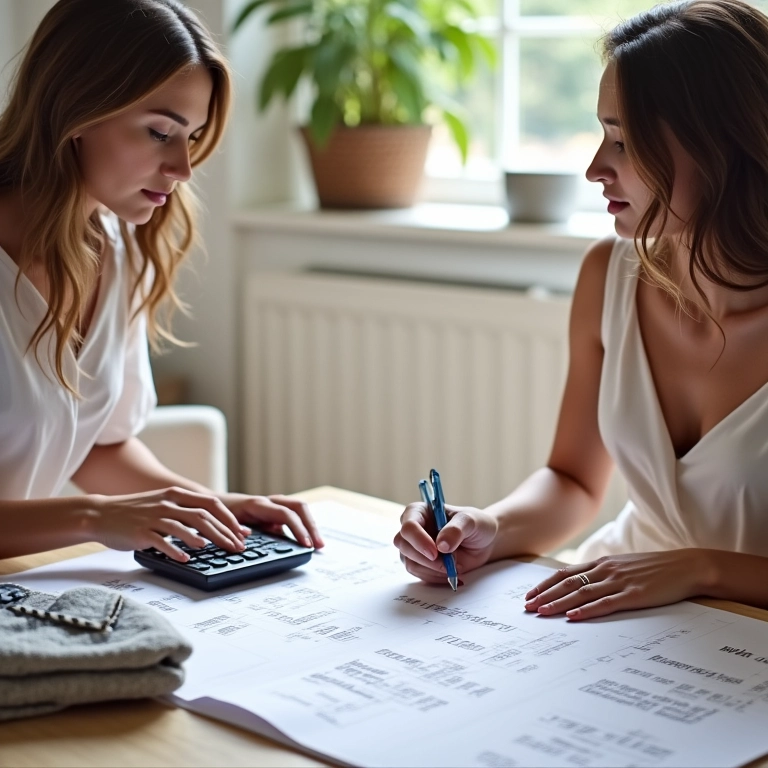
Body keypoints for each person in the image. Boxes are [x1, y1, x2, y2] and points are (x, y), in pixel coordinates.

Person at [395, 0, 768, 618]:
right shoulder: (610, 275)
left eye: (624, 141)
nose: (596, 168)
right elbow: (572, 480)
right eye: (602, 133)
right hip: (616, 615)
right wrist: (489, 527)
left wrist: (703, 568)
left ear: (720, 147)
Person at [0, 0, 323, 561]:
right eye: (158, 133)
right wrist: (93, 517)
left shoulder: (117, 245)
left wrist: (211, 506)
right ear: (77, 108)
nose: (182, 168)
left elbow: (95, 445)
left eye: (192, 137)